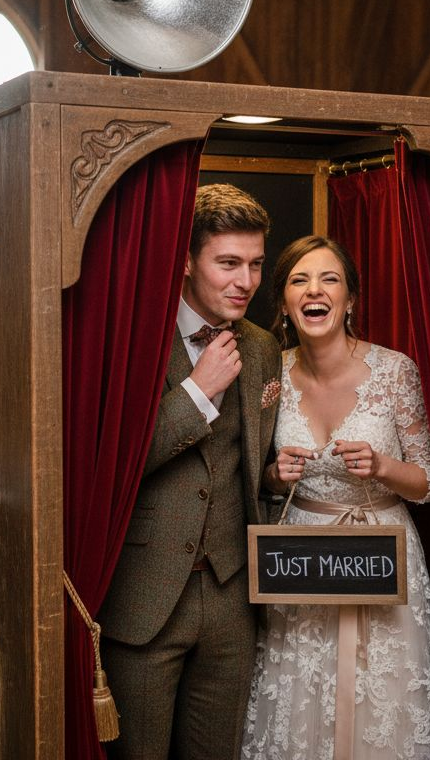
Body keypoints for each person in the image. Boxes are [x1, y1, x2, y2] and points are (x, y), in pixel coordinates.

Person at [242, 235, 430, 760]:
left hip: (382, 555)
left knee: (381, 705)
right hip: (300, 560)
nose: (315, 290)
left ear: (350, 299)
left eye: (329, 279)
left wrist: (382, 467)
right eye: (299, 280)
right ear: (284, 303)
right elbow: (249, 475)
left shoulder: (396, 372)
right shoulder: (269, 376)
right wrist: (275, 475)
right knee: (300, 702)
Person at [98, 183, 283, 759]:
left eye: (255, 264)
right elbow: (109, 467)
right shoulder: (132, 340)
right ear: (184, 261)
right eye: (228, 263)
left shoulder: (262, 347)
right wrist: (197, 393)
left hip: (233, 597)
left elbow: (250, 464)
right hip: (144, 595)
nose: (245, 281)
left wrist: (275, 478)